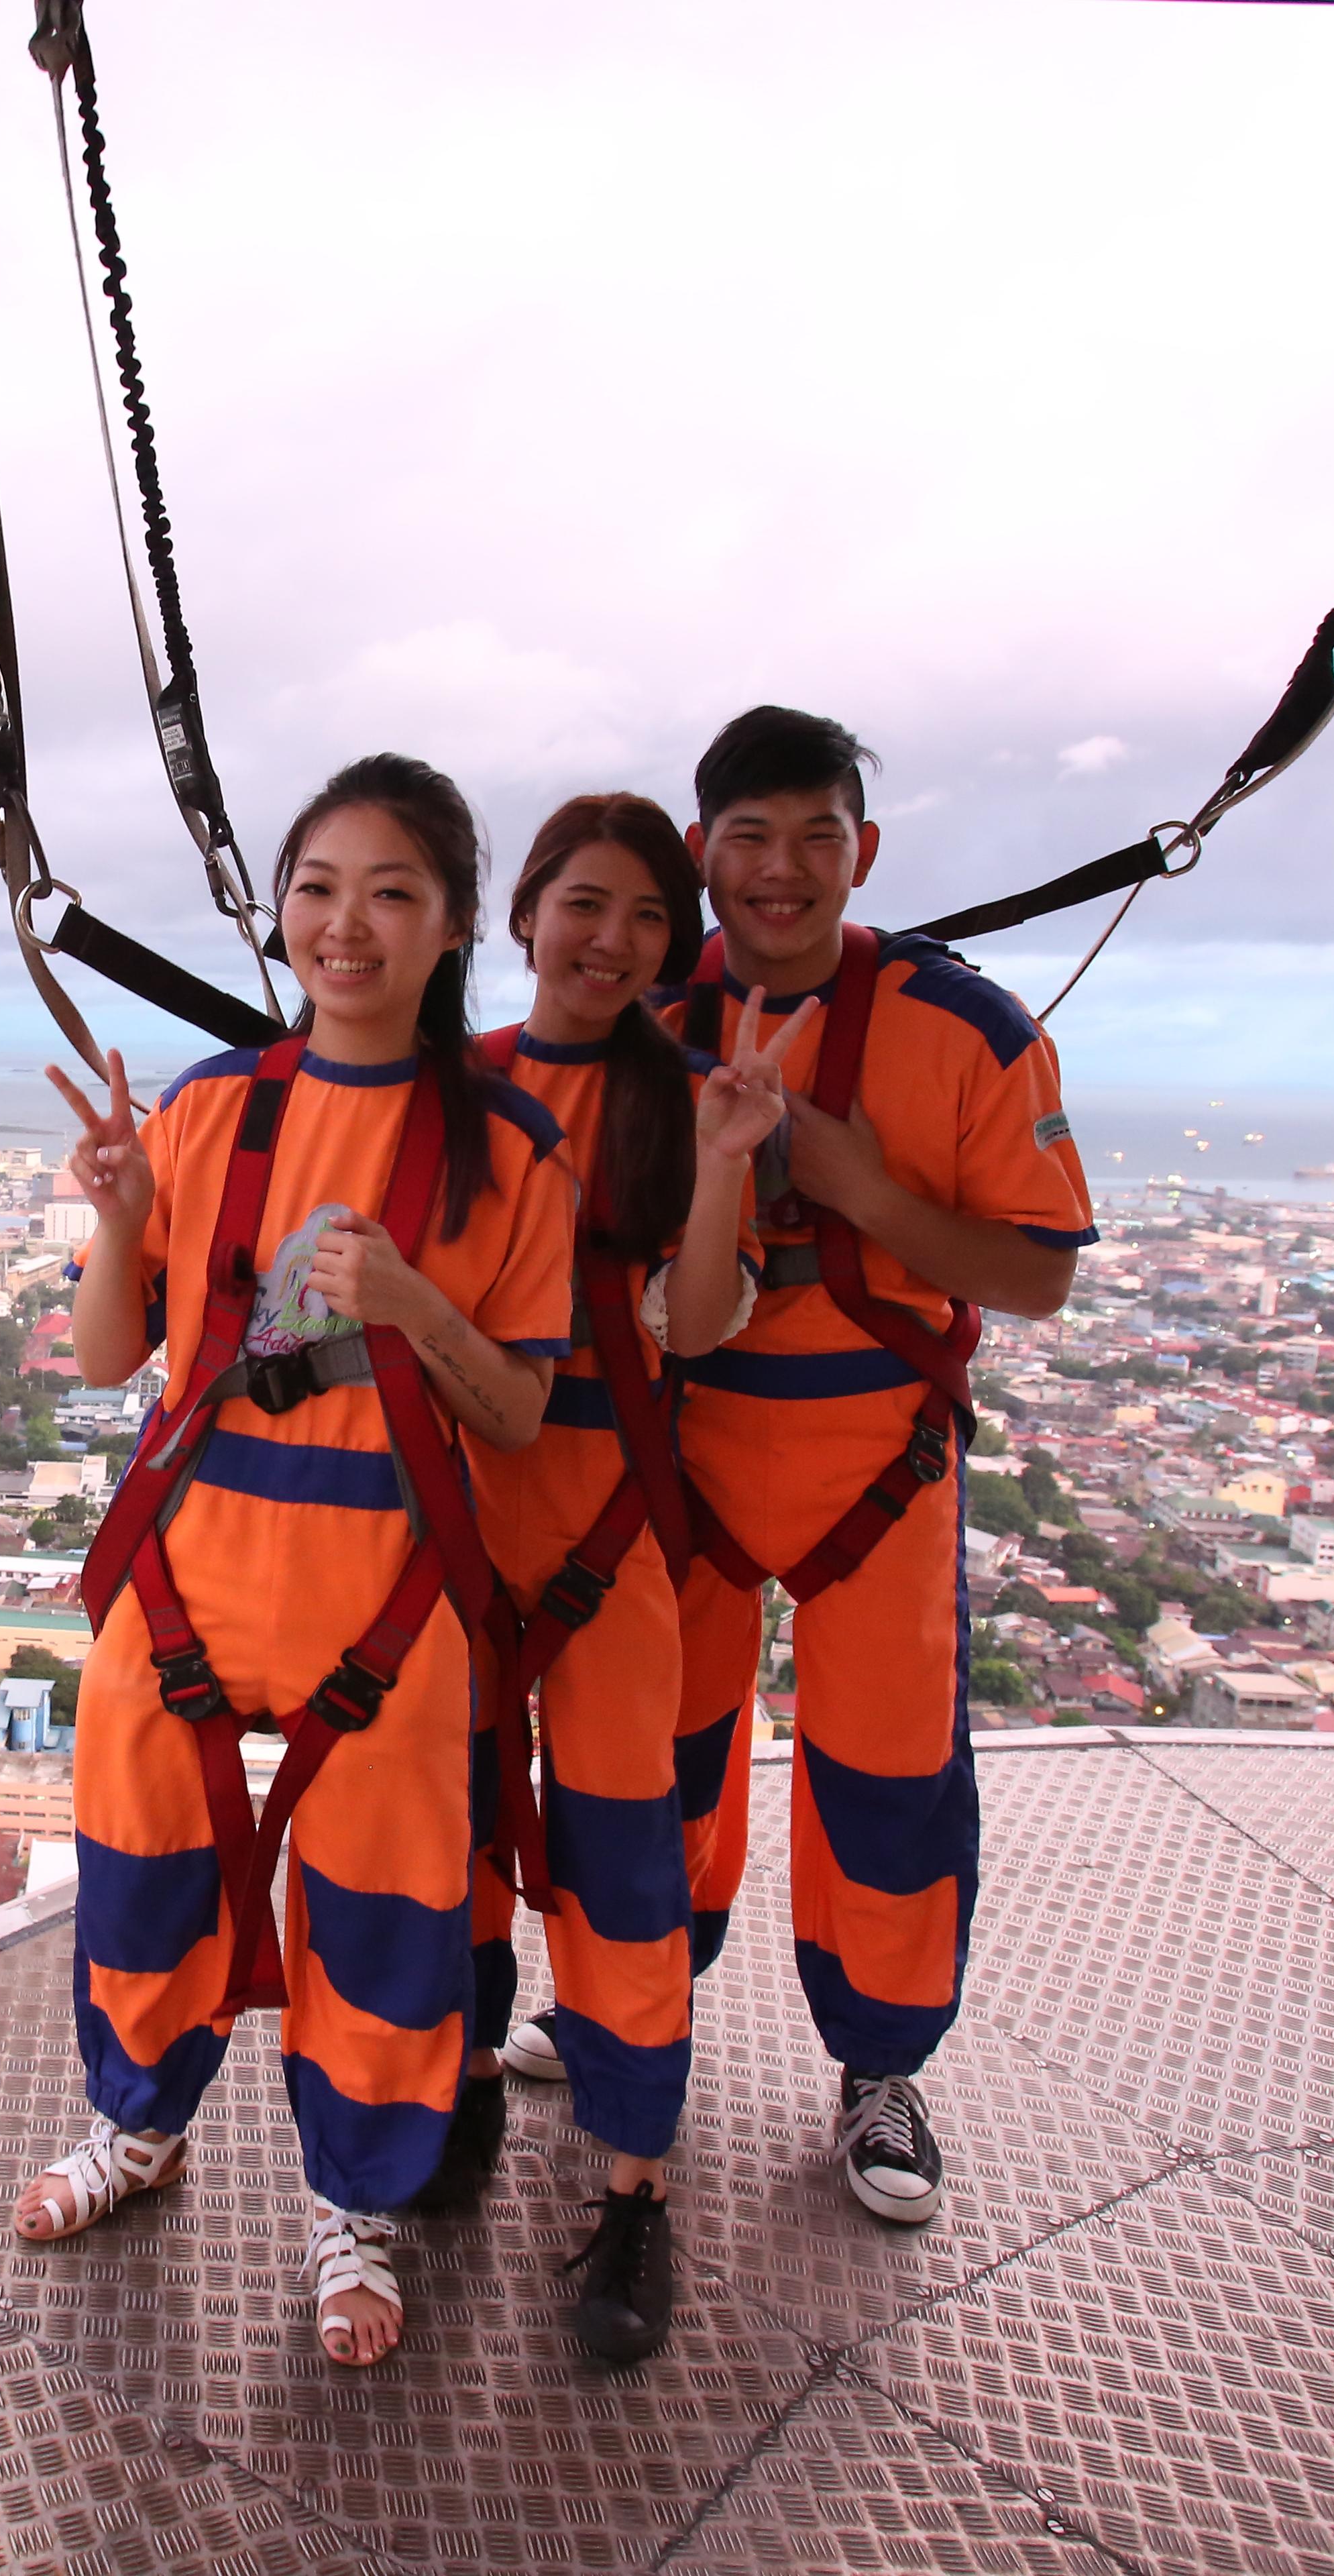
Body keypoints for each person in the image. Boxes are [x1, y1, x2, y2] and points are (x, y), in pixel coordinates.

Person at [18, 752, 575, 2369]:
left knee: (388, 1908)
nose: (347, 926)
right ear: (282, 910)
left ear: (455, 925)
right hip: (191, 1564)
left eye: (393, 893)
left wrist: (409, 1306)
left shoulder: (506, 1155)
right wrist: (124, 1212)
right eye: (320, 889)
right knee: (141, 1870)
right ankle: (139, 2124)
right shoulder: (209, 1112)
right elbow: (112, 1350)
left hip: (391, 1586)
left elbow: (523, 1410)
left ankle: (358, 2203)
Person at [636, 705, 1093, 2227]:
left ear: (863, 852)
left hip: (875, 1457)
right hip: (681, 1440)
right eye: (748, 840)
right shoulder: (636, 1012)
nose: (780, 872)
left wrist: (853, 1182)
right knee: (652, 1764)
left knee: (887, 1782)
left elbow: (1035, 1278)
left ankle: (881, 2066)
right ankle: (636, 2015)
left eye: (813, 838)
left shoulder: (964, 1032)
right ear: (701, 854)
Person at [453, 794, 806, 2365]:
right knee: (447, 1834)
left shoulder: (685, 1098)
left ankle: (635, 2188)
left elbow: (702, 1317)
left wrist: (730, 1158)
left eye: (650, 918)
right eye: (585, 906)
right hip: (452, 1519)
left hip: (607, 1527)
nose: (611, 942)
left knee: (625, 1864)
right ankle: (454, 2087)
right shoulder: (449, 1088)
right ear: (526, 915)